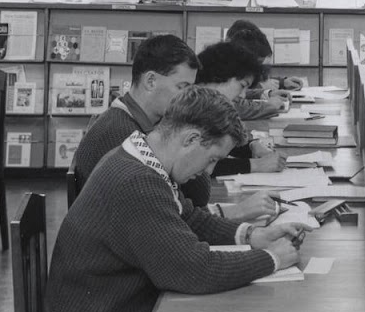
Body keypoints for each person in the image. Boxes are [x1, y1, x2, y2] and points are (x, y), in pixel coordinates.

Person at [41, 87, 311, 312]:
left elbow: (190, 218)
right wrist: (271, 258)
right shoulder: (137, 181)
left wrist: (251, 236)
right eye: (212, 159)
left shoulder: (141, 156)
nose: (208, 172)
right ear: (191, 139)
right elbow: (194, 270)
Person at [72, 34, 214, 208]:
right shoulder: (122, 134)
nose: (188, 98)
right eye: (182, 87)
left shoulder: (144, 124)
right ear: (151, 81)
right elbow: (193, 198)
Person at [194, 41, 284, 176]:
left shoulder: (205, 106)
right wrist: (255, 165)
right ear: (220, 75)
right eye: (242, 86)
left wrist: (251, 147)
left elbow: (216, 145)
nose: (242, 95)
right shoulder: (187, 109)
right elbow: (199, 163)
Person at [223, 20, 296, 120]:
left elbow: (237, 96)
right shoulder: (216, 70)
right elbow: (230, 107)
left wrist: (266, 93)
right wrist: (268, 106)